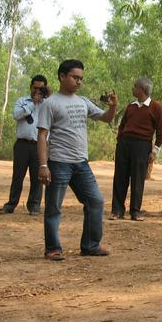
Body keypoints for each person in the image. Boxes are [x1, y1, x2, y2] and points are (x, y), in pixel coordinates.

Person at [37, 59, 118, 260]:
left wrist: (113, 107)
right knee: (54, 206)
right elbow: (42, 136)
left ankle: (91, 245)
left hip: (81, 164)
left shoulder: (83, 102)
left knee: (96, 201)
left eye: (81, 78)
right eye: (75, 77)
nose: (79, 82)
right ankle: (53, 249)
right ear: (62, 77)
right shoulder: (50, 103)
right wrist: (43, 165)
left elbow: (106, 118)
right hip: (58, 162)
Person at [111, 77, 162, 221]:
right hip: (124, 144)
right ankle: (117, 210)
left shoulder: (155, 107)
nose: (132, 88)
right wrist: (120, 141)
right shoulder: (131, 106)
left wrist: (154, 151)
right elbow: (122, 125)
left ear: (141, 89)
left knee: (138, 179)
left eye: (135, 86)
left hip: (142, 146)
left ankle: (135, 211)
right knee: (120, 177)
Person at [0, 75, 48, 215]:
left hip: (40, 145)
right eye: (35, 88)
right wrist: (33, 102)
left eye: (41, 88)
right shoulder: (22, 101)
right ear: (30, 87)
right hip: (22, 144)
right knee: (18, 176)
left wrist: (47, 98)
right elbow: (17, 115)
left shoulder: (48, 103)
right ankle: (11, 204)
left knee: (37, 177)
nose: (37, 90)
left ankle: (34, 205)